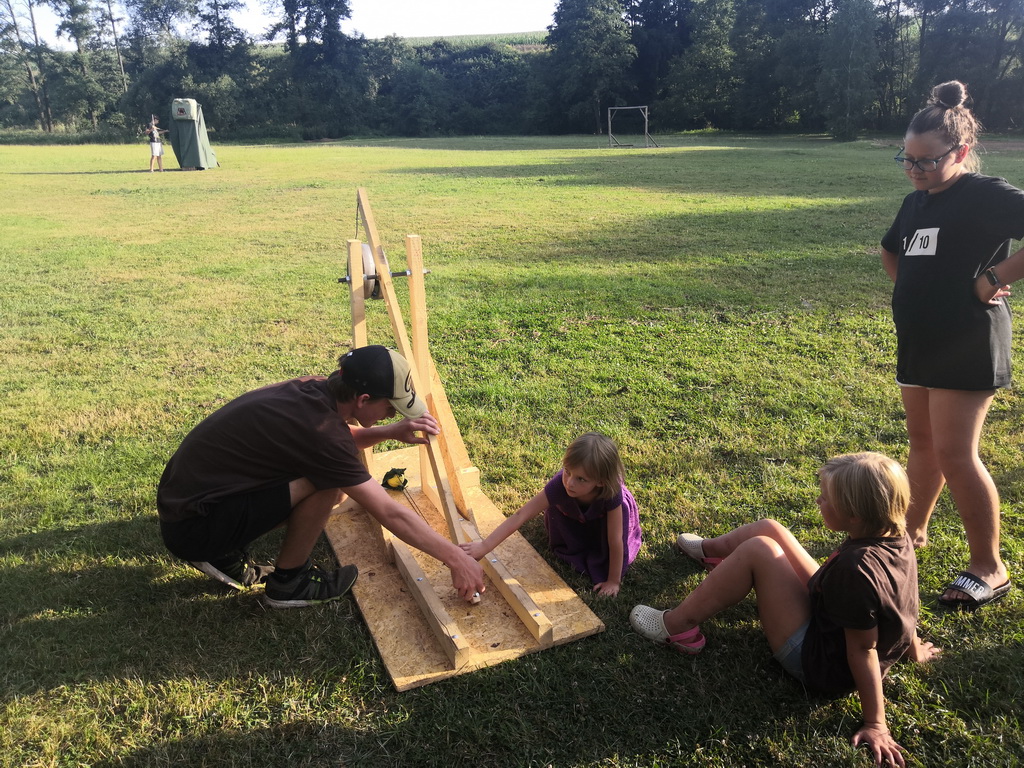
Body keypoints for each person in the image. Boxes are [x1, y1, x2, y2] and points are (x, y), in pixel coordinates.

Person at [630, 453, 940, 768]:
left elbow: (863, 649)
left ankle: (676, 626)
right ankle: (711, 552)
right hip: (829, 612)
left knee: (758, 550)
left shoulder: (856, 570)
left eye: (826, 498)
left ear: (854, 516)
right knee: (770, 529)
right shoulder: (896, 536)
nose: (818, 501)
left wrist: (876, 723)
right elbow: (903, 602)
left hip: (817, 661)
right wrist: (912, 648)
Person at [157, 345, 486, 608]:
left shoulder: (314, 389)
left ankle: (223, 550)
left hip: (191, 505)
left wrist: (389, 431)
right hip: (194, 528)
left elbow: (331, 442)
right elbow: (389, 511)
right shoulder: (322, 434)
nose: (391, 414)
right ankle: (289, 582)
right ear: (363, 399)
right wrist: (456, 558)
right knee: (328, 482)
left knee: (332, 474)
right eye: (390, 408)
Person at [881, 80, 1023, 609]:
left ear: (961, 152)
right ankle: (910, 534)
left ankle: (990, 567)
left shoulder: (983, 194)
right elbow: (891, 250)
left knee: (956, 454)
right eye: (907, 159)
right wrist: (913, 293)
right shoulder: (916, 201)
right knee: (923, 443)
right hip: (920, 340)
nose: (914, 169)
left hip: (967, 340)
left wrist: (995, 276)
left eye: (927, 160)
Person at [460, 432, 641, 597]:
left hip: (602, 524)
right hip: (573, 517)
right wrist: (483, 546)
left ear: (600, 482)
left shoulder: (611, 493)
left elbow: (615, 539)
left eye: (581, 479)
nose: (569, 483)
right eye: (567, 472)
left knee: (606, 553)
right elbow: (521, 515)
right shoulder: (560, 485)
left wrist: (613, 581)